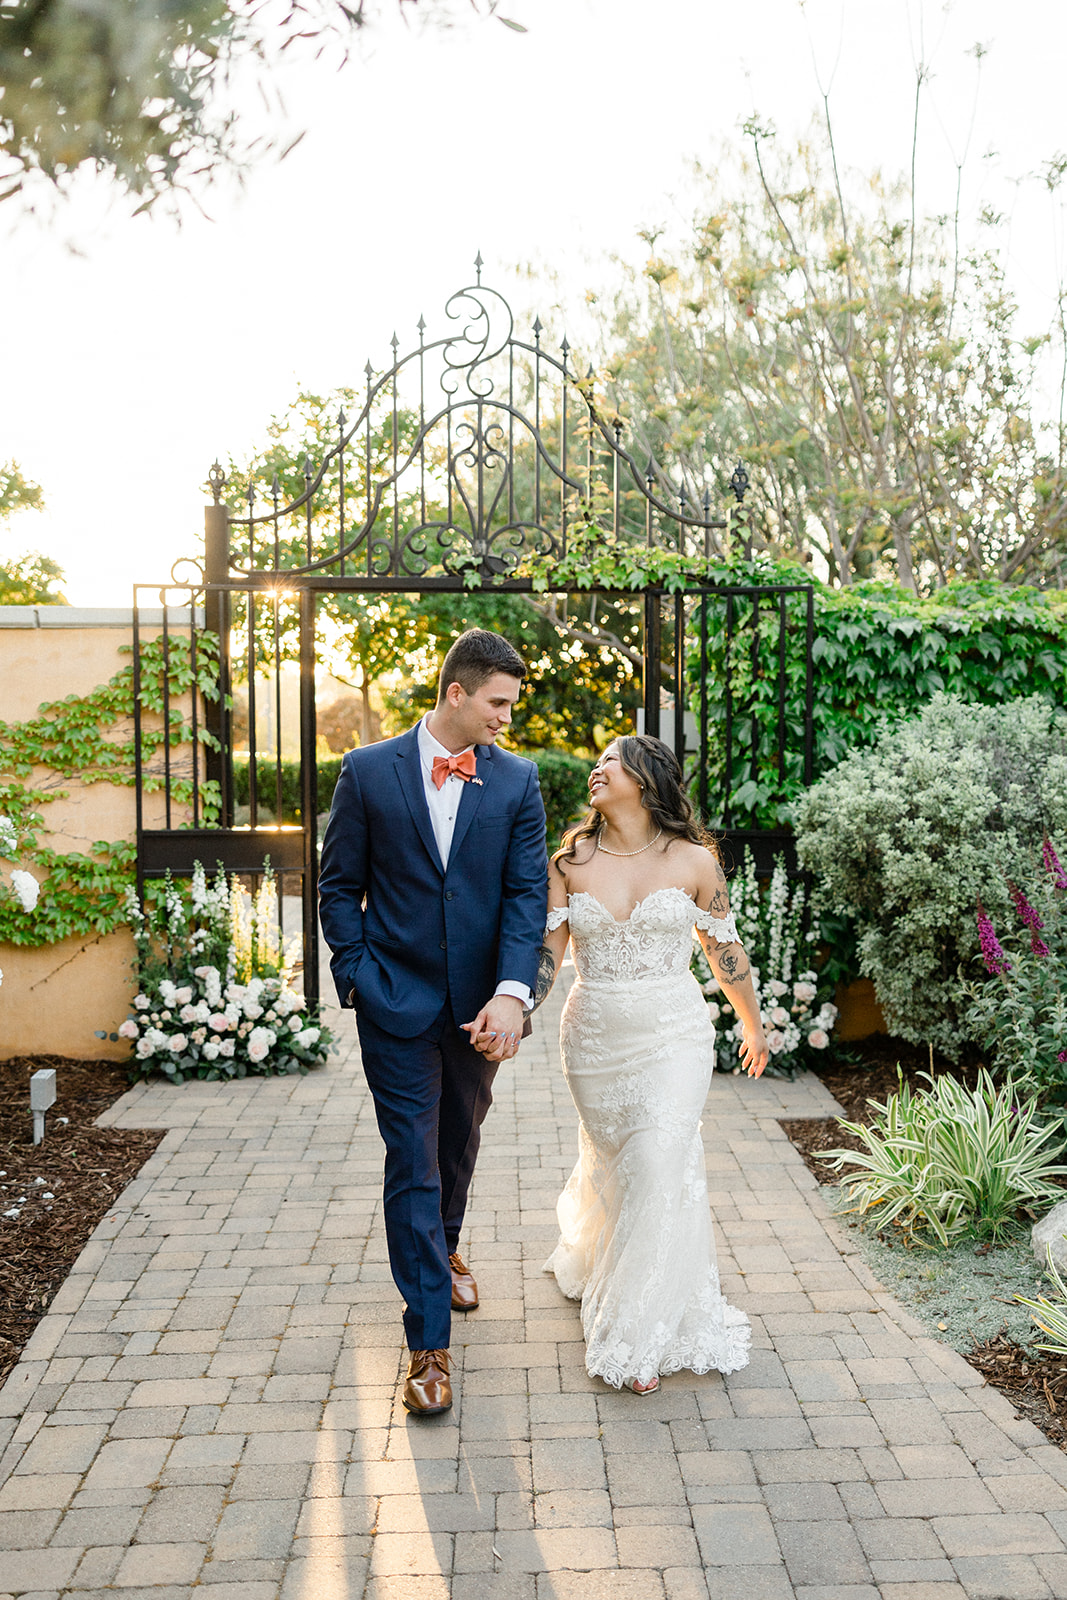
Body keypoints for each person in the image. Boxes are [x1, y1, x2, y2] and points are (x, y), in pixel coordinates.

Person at [318, 629, 547, 1416]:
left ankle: (443, 1247)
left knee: (457, 1140)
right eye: (498, 703)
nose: (505, 719)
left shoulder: (516, 780)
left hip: (481, 1007)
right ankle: (428, 1344)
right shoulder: (367, 770)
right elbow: (337, 885)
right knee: (411, 1159)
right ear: (456, 691)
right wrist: (358, 974)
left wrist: (512, 994)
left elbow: (525, 894)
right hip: (395, 1001)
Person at [534, 734, 768, 1394]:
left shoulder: (694, 860)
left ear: (644, 777)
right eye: (597, 760)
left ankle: (633, 1333)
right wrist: (517, 1008)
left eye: (609, 760)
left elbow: (723, 950)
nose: (596, 768)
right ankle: (601, 1256)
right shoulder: (570, 861)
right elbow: (548, 955)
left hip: (673, 1036)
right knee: (620, 1164)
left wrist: (753, 1025)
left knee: (660, 1162)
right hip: (594, 1038)